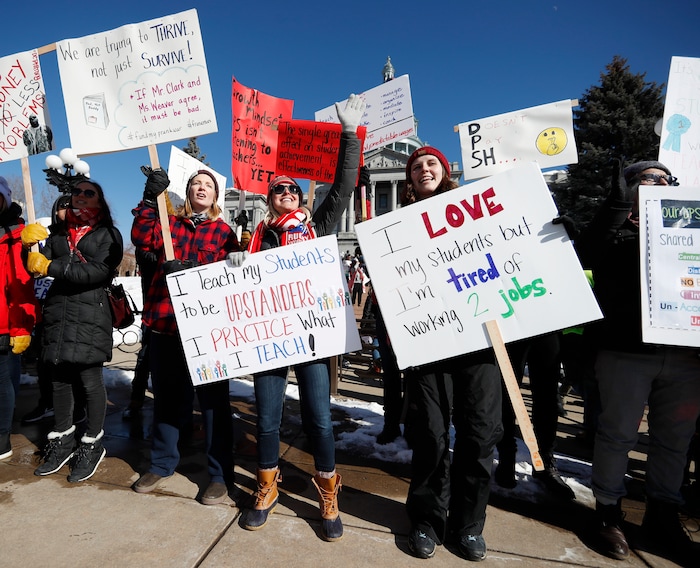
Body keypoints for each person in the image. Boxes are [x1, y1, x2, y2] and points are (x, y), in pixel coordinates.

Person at [240, 93, 365, 542]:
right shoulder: (258, 238)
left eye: (292, 190)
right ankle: (267, 486)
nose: (287, 194)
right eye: (280, 190)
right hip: (269, 337)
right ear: (270, 198)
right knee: (269, 418)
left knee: (318, 418)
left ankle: (328, 493)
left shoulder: (318, 226)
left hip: (312, 334)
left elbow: (345, 183)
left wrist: (349, 134)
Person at [576, 160, 700, 564]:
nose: (660, 183)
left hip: (684, 355)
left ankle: (662, 512)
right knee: (617, 434)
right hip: (626, 352)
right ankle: (608, 511)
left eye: (667, 179)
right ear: (629, 188)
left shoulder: (689, 231)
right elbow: (587, 253)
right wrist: (616, 205)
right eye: (649, 178)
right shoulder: (616, 230)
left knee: (674, 440)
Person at [400, 147, 503, 562]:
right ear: (409, 178)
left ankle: (468, 525)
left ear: (445, 171)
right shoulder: (398, 225)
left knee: (480, 434)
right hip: (429, 340)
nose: (425, 169)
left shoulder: (476, 211)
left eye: (432, 163)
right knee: (430, 433)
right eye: (417, 165)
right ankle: (427, 519)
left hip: (479, 339)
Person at [130, 167, 240, 505]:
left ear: (216, 196)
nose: (202, 188)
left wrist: (235, 261)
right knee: (166, 400)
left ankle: (220, 475)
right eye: (196, 183)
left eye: (208, 185)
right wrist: (150, 198)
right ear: (188, 191)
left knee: (213, 405)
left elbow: (235, 279)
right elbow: (140, 237)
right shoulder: (168, 224)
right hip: (166, 325)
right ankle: (162, 463)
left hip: (206, 332)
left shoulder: (224, 233)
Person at [23, 177, 123, 482]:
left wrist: (51, 267)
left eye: (87, 192)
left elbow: (98, 271)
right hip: (59, 314)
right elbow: (34, 265)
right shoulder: (55, 234)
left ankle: (92, 443)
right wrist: (28, 247)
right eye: (75, 192)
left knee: (89, 380)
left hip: (91, 314)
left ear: (99, 201)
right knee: (59, 379)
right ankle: (62, 439)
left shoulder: (108, 234)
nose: (79, 196)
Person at [21, 195, 87, 426]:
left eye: (72, 205)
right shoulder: (42, 233)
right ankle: (47, 403)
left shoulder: (83, 235)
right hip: (44, 307)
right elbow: (28, 267)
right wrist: (26, 247)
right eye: (62, 206)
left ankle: (79, 407)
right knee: (44, 361)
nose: (67, 209)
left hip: (72, 307)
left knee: (73, 363)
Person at [495, 333, 576, 500]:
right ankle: (506, 457)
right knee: (507, 392)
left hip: (545, 323)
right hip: (510, 324)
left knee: (547, 395)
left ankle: (545, 463)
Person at [0, 176, 39, 460]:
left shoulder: (18, 233)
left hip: (4, 322)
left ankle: (2, 436)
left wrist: (21, 326)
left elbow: (22, 284)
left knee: (3, 383)